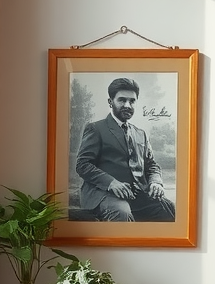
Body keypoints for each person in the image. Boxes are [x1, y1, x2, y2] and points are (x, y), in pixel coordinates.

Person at [75, 77, 176, 222]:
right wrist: (111, 183)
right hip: (104, 193)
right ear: (111, 102)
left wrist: (155, 182)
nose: (127, 105)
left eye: (132, 101)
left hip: (137, 194)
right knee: (122, 214)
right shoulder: (96, 129)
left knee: (168, 209)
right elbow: (82, 165)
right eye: (122, 100)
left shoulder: (140, 133)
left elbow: (151, 164)